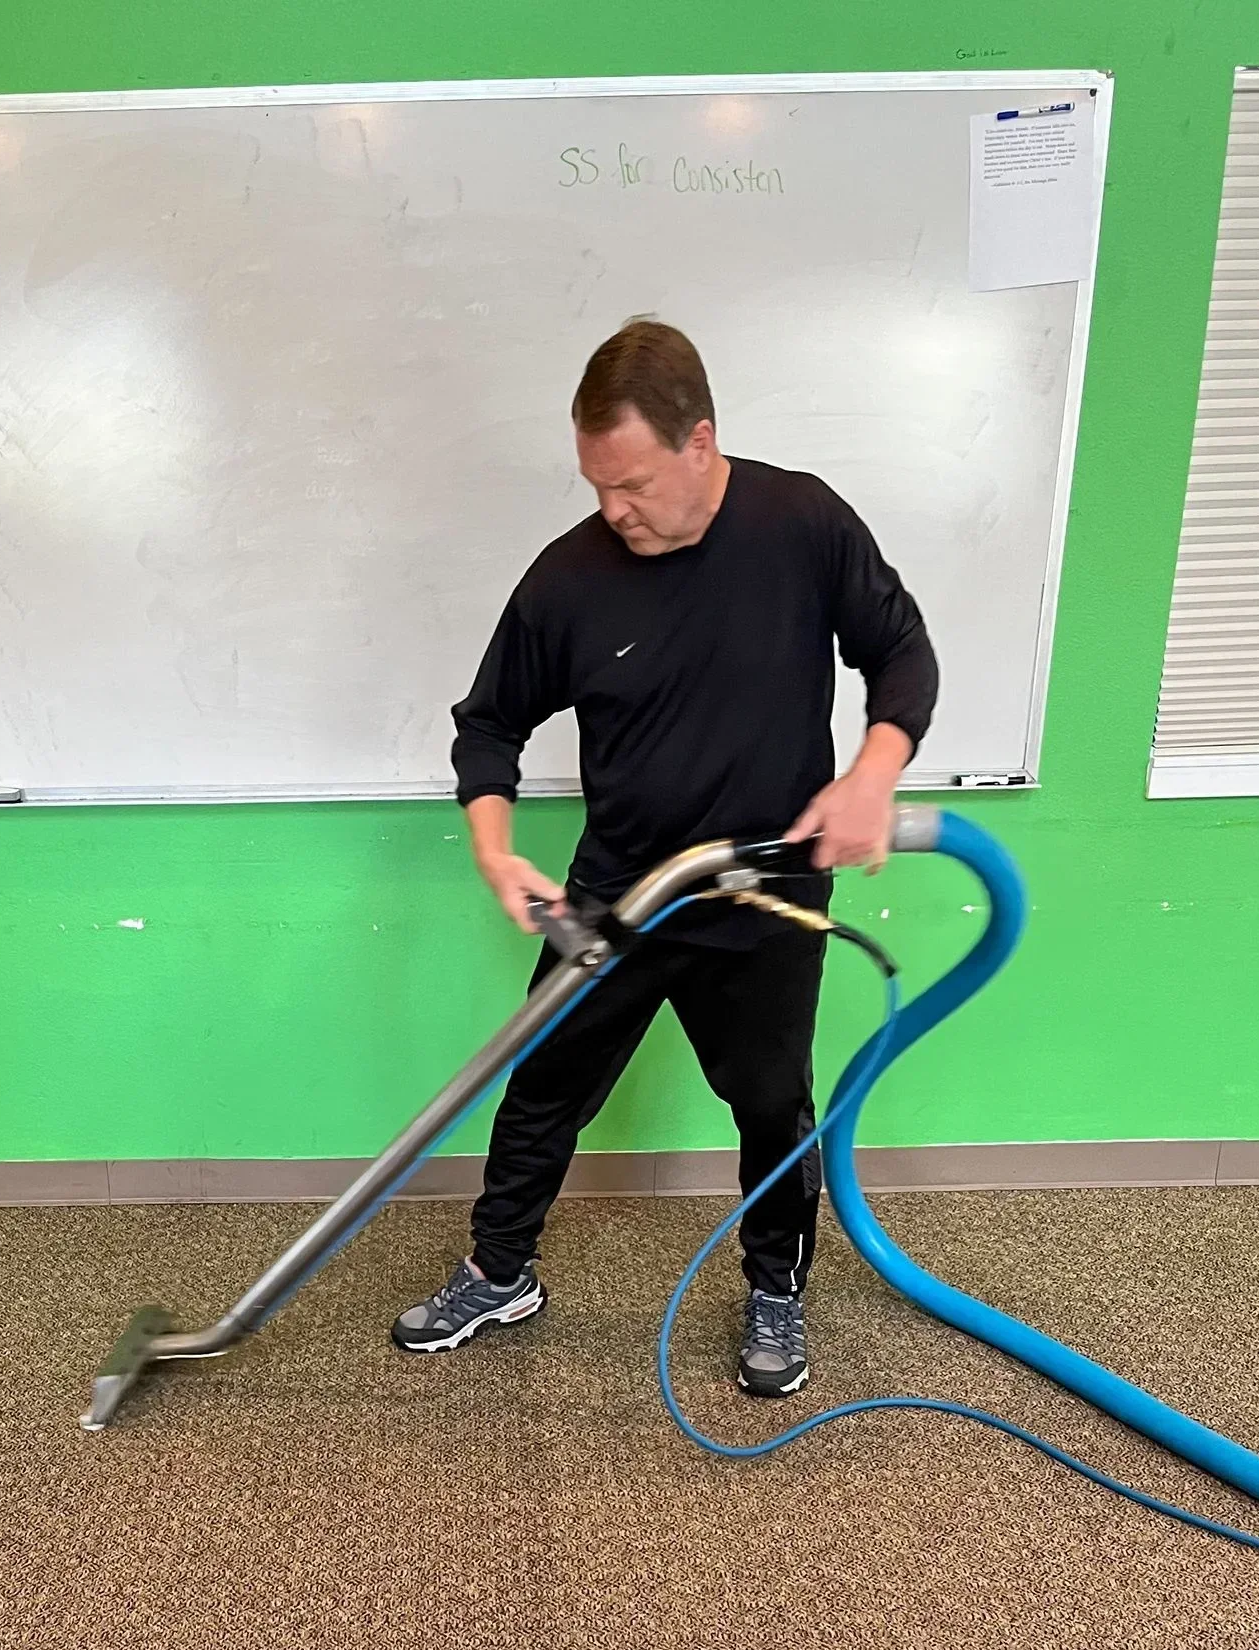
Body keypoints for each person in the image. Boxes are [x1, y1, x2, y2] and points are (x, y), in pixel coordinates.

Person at [391, 319, 939, 1396]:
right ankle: (501, 1271)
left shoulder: (801, 523)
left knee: (771, 1106)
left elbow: (900, 649)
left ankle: (775, 1289)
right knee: (543, 1085)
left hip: (763, 894)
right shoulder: (570, 578)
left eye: (633, 482)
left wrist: (873, 774)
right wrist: (496, 849)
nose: (614, 510)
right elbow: (488, 723)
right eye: (597, 484)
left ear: (701, 441)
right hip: (619, 894)